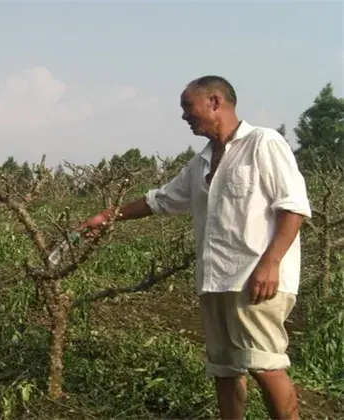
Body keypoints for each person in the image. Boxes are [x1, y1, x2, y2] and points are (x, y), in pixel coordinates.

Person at [79, 75, 311, 420]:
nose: (185, 116)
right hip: (215, 279)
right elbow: (159, 200)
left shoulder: (263, 143)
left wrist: (271, 263)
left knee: (265, 365)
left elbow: (293, 207)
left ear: (215, 102)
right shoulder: (201, 162)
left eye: (188, 106)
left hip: (255, 278)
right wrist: (107, 216)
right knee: (224, 368)